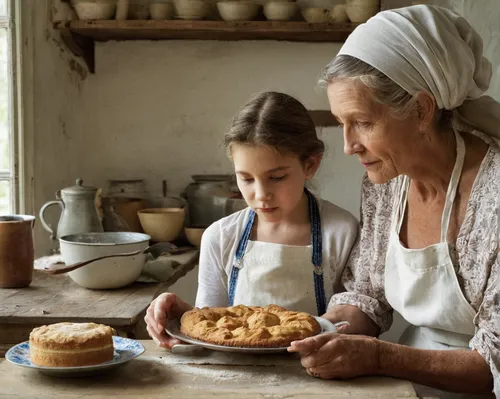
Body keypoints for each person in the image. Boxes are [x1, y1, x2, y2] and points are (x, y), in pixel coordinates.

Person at [287, 5, 500, 399]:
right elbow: (366, 295)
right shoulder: (386, 184)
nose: (349, 146)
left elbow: (495, 363)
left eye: (363, 123)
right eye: (341, 124)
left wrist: (379, 359)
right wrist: (315, 334)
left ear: (421, 110)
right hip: (407, 383)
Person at [145, 91, 359, 349]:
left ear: (311, 165)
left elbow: (354, 325)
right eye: (246, 178)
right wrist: (178, 315)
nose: (260, 195)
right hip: (239, 377)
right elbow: (209, 331)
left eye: (277, 177)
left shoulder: (341, 232)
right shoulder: (221, 236)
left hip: (318, 374)